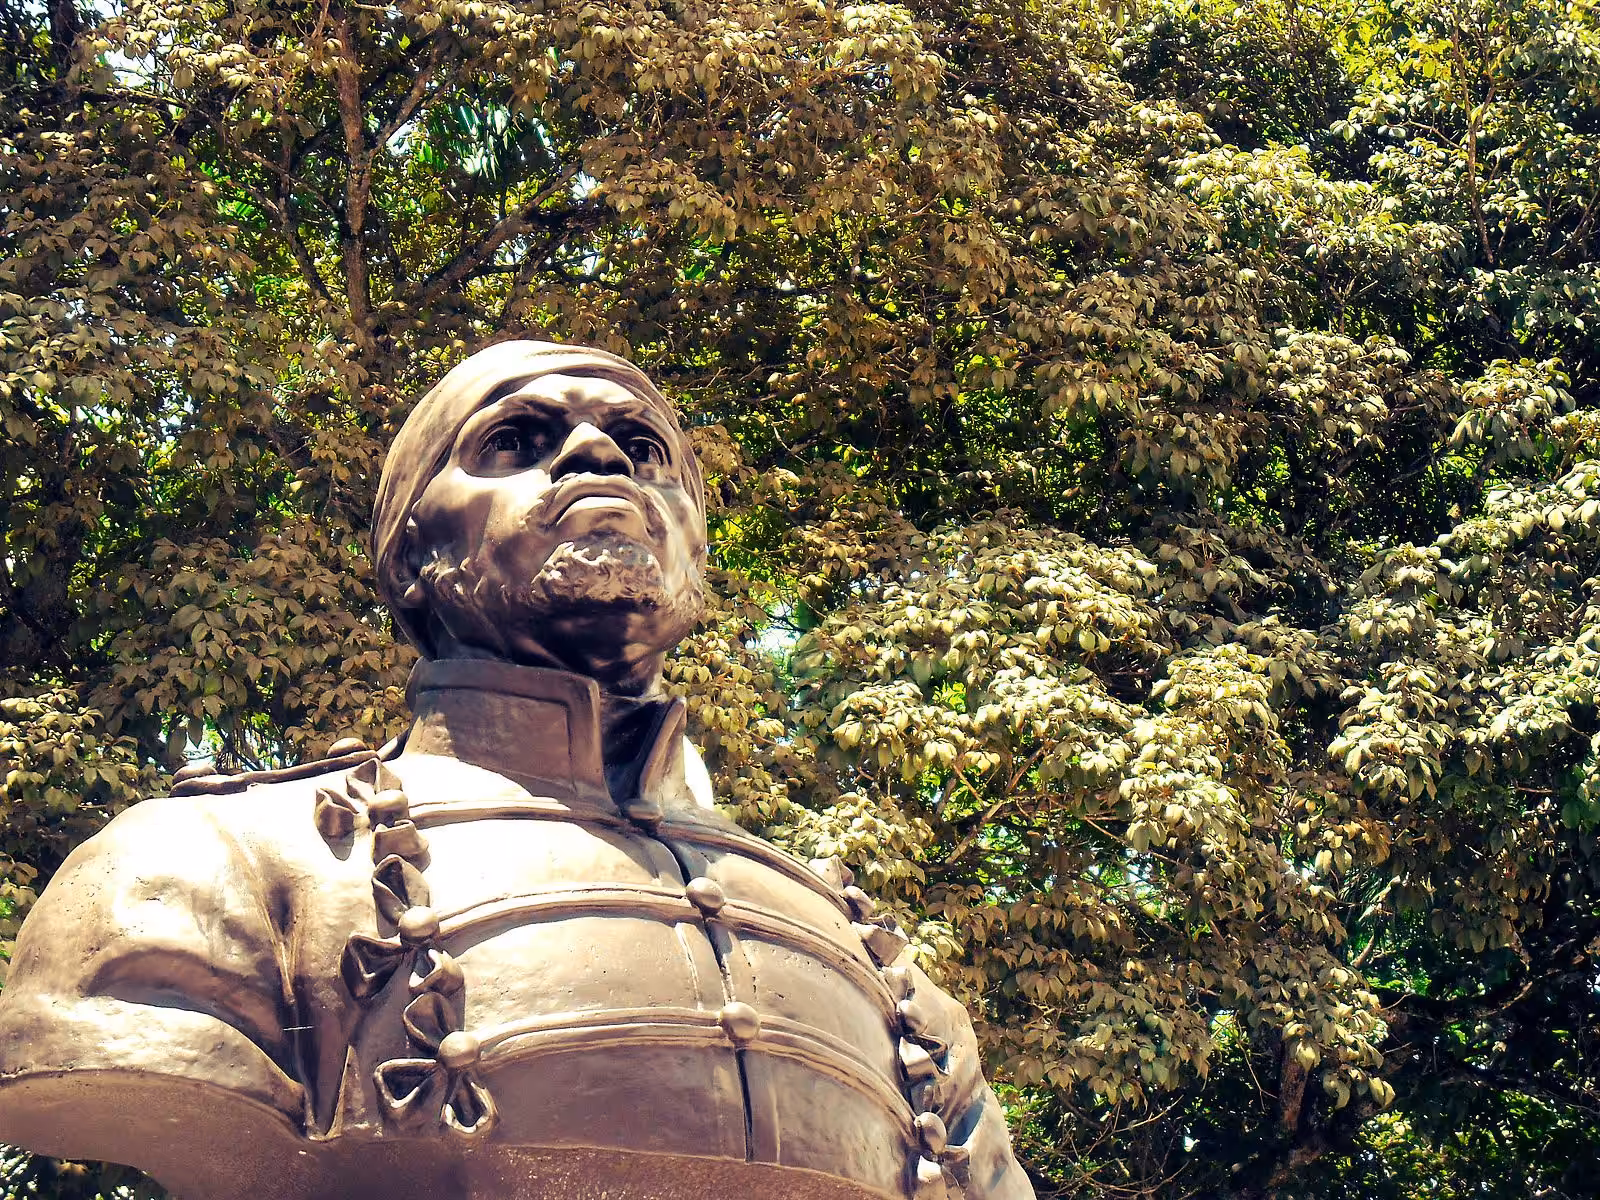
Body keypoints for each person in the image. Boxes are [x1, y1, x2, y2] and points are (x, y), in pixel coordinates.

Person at [0, 341, 1034, 1200]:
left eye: (642, 448)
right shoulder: (214, 865)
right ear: (409, 547)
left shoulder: (867, 958)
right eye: (517, 441)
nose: (599, 457)